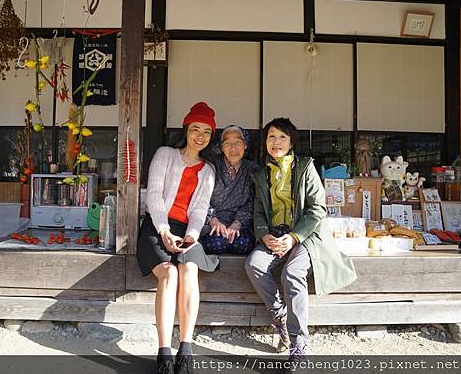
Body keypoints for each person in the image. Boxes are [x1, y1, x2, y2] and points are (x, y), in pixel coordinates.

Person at [245, 118, 356, 367]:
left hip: (306, 236)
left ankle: (298, 343)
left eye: (282, 137)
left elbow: (317, 209)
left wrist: (294, 237)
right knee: (254, 264)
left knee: (293, 272)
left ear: (292, 141)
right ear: (265, 142)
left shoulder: (306, 167)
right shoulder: (261, 175)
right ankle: (280, 318)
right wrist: (265, 236)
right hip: (274, 235)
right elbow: (259, 212)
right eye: (272, 136)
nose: (276, 142)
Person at [136, 102, 219, 374]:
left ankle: (186, 346)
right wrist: (163, 230)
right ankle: (164, 351)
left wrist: (193, 235)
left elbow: (200, 210)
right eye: (196, 128)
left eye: (206, 131)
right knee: (170, 273)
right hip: (156, 225)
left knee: (189, 269)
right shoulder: (165, 154)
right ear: (186, 129)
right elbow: (154, 197)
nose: (200, 136)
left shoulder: (208, 170)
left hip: (187, 230)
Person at [200, 125, 259, 255]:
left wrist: (237, 223)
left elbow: (252, 201)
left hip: (240, 224)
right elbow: (200, 197)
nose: (233, 148)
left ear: (245, 145)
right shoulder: (211, 165)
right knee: (216, 244)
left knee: (243, 244)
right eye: (227, 143)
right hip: (212, 222)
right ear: (221, 148)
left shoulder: (252, 169)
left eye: (238, 142)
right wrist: (213, 220)